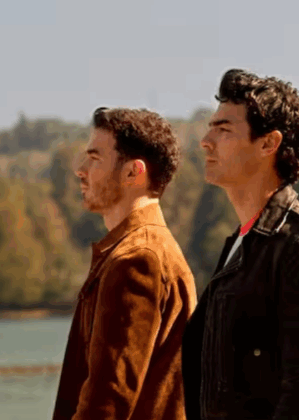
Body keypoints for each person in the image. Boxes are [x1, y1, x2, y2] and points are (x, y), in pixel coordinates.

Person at [181, 69, 299, 420]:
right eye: (210, 127)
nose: (206, 141)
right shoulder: (243, 243)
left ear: (268, 144)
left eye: (224, 130)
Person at [53, 107, 197, 420]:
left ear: (133, 173)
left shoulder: (137, 259)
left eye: (94, 158)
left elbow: (108, 402)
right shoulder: (141, 250)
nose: (80, 170)